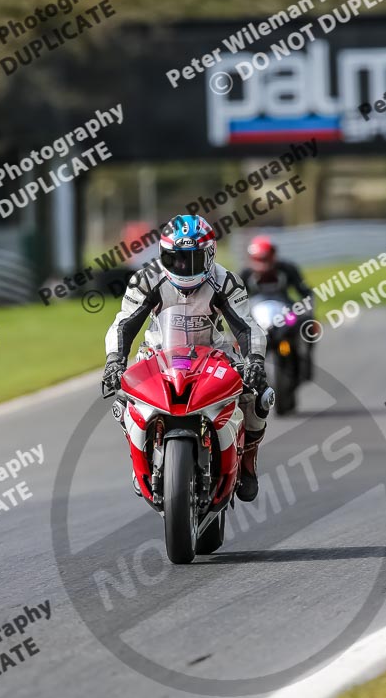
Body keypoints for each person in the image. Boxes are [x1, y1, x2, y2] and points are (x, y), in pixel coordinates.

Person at [102, 214, 269, 502]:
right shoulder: (146, 279)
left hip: (213, 353)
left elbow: (246, 326)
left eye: (191, 259)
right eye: (174, 258)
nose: (182, 266)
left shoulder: (226, 281)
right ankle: (139, 458)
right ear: (162, 255)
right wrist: (114, 361)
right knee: (123, 397)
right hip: (157, 351)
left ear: (209, 255)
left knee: (258, 395)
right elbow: (124, 323)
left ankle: (248, 460)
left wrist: (255, 360)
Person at [240, 235, 315, 380]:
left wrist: (306, 309)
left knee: (310, 325)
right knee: (238, 336)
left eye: (265, 259)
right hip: (257, 317)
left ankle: (305, 361)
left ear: (273, 256)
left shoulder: (288, 269)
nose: (262, 264)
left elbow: (305, 292)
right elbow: (233, 298)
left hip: (287, 313)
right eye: (258, 260)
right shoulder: (245, 274)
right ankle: (244, 371)